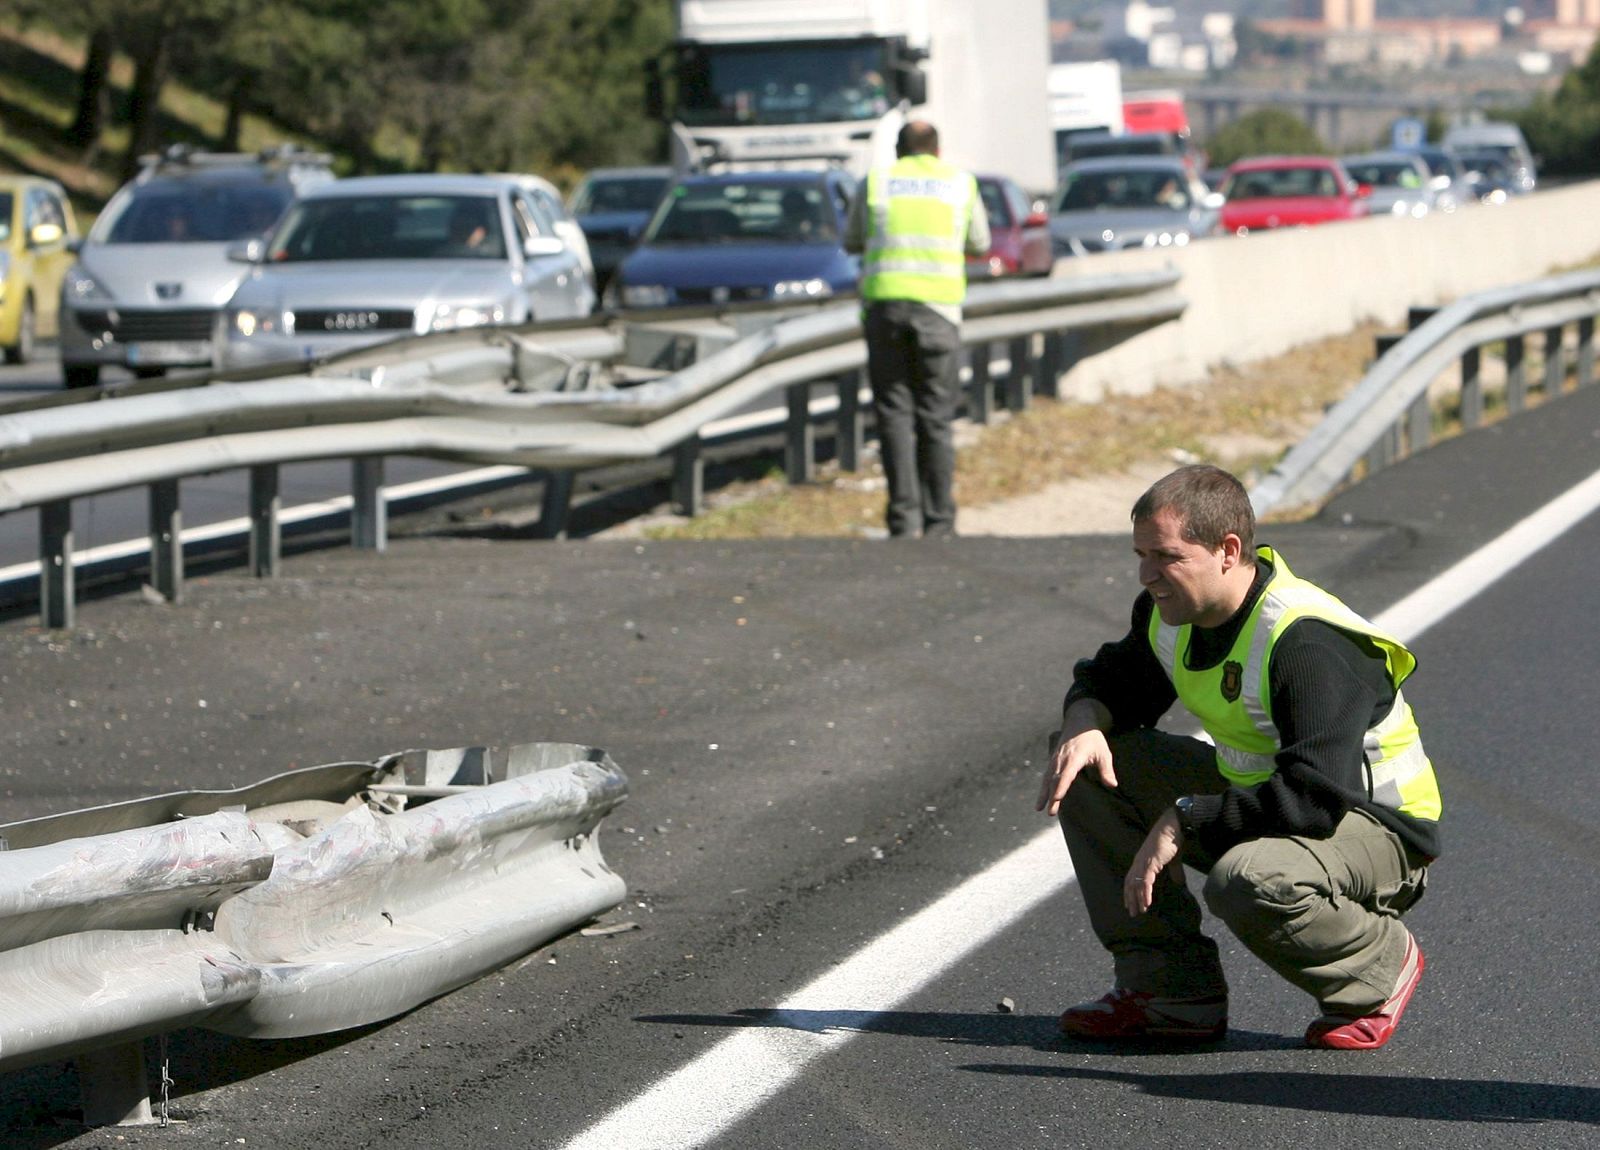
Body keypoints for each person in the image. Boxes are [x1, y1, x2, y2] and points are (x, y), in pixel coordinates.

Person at [1036, 464, 1441, 1050]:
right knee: (1084, 764)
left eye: (1166, 557)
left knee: (1250, 880)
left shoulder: (1308, 642)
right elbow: (1111, 685)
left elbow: (1316, 799)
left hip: (1375, 830)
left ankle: (1376, 969)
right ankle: (1172, 996)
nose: (1147, 575)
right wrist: (1082, 724)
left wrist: (1186, 816)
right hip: (1271, 802)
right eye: (1140, 555)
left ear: (1227, 551)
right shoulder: (1170, 612)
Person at [844, 120, 989, 538]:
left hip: (885, 309)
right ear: (936, 151)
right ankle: (940, 520)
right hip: (938, 311)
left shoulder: (877, 182)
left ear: (898, 150)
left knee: (894, 414)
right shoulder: (959, 183)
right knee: (935, 418)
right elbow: (978, 242)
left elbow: (853, 239)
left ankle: (903, 520)